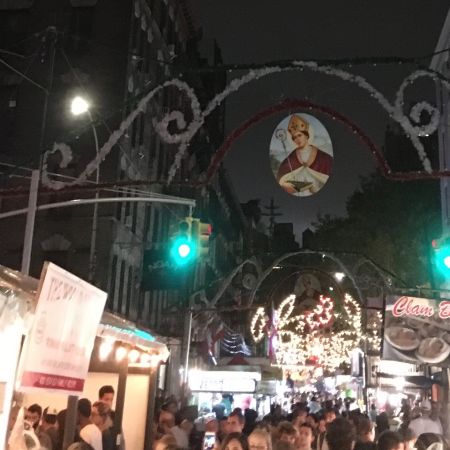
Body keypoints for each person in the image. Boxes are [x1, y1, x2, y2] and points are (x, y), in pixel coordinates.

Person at [276, 114, 332, 196]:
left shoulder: (323, 157)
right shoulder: (291, 158)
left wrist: (314, 188)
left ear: (306, 135)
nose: (297, 139)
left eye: (299, 135)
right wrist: (300, 186)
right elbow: (282, 179)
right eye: (294, 137)